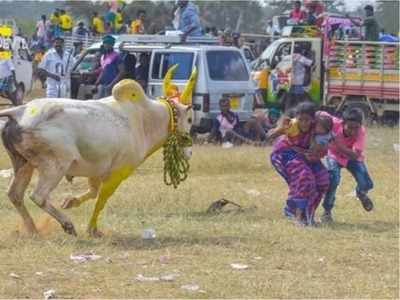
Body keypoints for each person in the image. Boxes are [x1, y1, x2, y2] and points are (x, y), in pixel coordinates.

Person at [268, 102, 329, 226]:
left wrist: (315, 150)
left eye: (307, 120)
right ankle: (297, 214)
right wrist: (281, 128)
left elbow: (321, 144)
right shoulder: (292, 125)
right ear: (297, 118)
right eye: (301, 120)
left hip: (305, 155)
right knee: (304, 178)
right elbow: (269, 136)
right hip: (285, 154)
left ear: (313, 119)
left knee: (323, 180)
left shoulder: (317, 125)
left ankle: (308, 215)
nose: (304, 123)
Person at [320, 108, 374, 223]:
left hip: (351, 157)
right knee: (333, 179)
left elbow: (354, 155)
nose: (353, 131)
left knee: (367, 184)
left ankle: (360, 193)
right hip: (334, 155)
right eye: (350, 127)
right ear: (342, 123)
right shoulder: (334, 123)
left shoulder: (361, 132)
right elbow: (320, 113)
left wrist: (339, 145)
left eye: (356, 128)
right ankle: (327, 211)